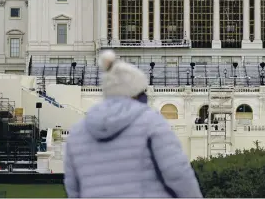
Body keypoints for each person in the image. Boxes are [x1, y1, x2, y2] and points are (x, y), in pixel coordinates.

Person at [64, 51, 202, 198]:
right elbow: (177, 173)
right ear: (136, 92)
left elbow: (73, 188)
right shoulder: (151, 121)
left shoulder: (77, 132)